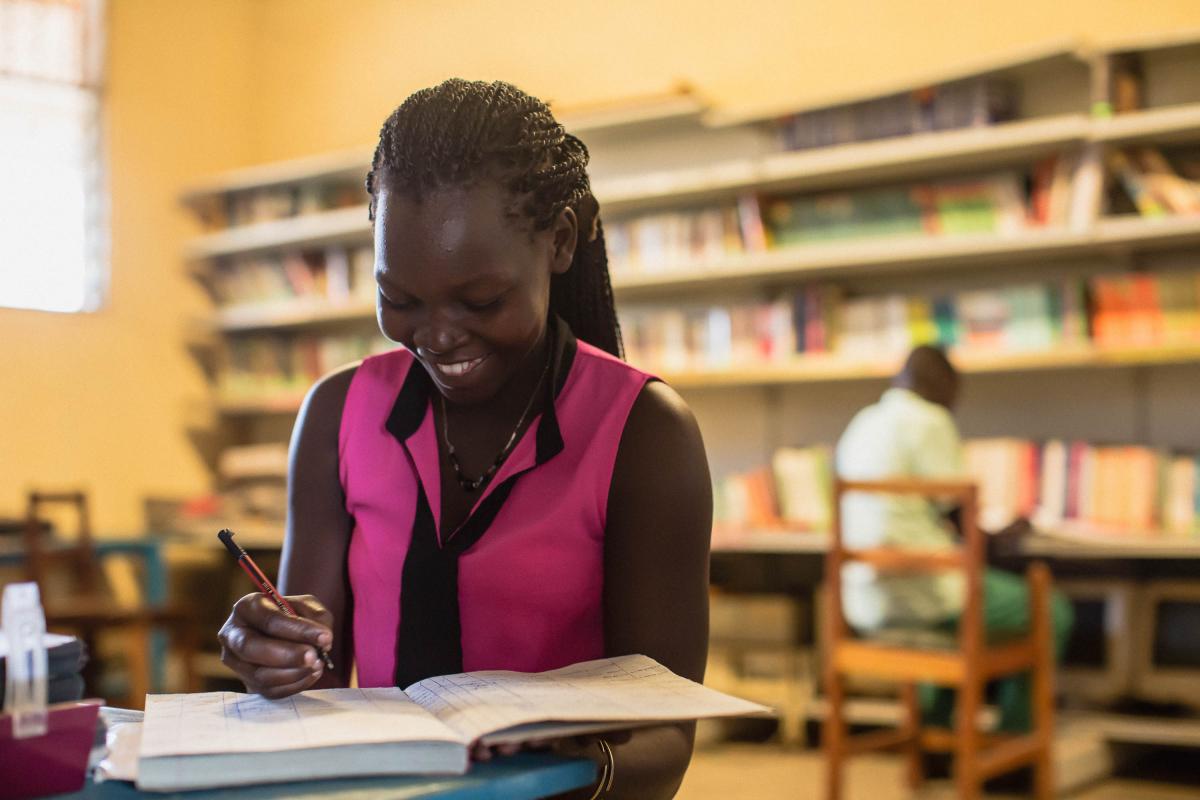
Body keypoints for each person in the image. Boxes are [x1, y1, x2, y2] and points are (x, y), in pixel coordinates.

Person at [217, 79, 712, 799]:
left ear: (562, 242)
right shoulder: (336, 415)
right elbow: (313, 685)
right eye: (399, 301)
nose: (439, 336)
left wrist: (573, 762)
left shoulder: (644, 433)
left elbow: (667, 734)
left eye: (481, 301)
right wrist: (274, 653)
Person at [835, 345, 1073, 736]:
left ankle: (936, 736)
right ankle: (1013, 746)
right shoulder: (929, 420)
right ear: (942, 386)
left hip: (866, 603)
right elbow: (961, 515)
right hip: (925, 596)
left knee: (951, 602)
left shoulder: (862, 422)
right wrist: (1003, 534)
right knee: (1049, 610)